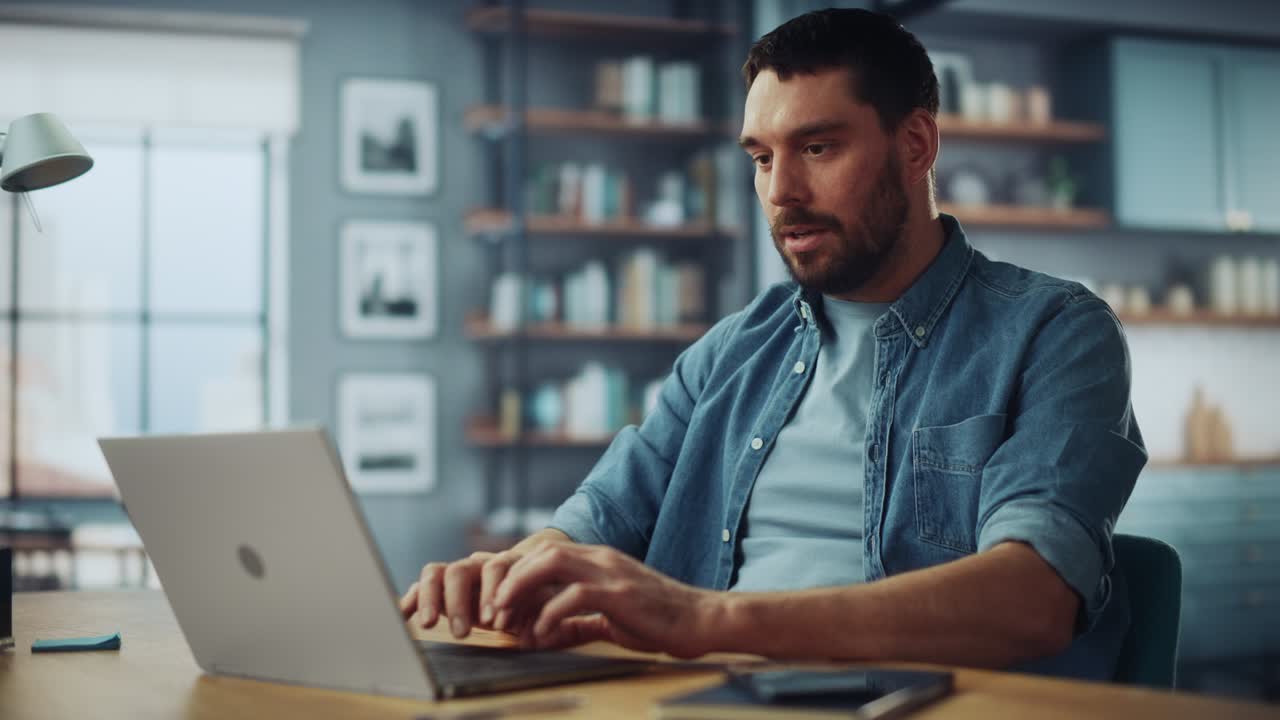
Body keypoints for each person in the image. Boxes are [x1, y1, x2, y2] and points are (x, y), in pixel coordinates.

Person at [401, 8, 1146, 680]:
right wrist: (496, 575)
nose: (781, 189)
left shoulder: (1054, 332)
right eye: (761, 157)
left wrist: (698, 620)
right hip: (708, 694)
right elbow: (598, 519)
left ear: (916, 144)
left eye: (817, 147)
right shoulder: (731, 350)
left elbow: (1032, 597)